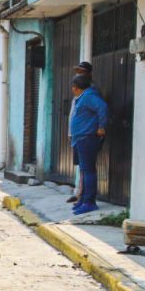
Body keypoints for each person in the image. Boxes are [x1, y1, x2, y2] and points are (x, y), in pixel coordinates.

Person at [69, 74, 108, 215]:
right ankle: (84, 199)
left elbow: (103, 107)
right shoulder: (83, 97)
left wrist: (102, 127)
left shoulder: (88, 96)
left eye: (73, 86)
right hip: (81, 138)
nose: (72, 89)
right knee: (85, 170)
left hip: (87, 138)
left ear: (76, 87)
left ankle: (90, 202)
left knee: (88, 170)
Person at [68, 61, 94, 204]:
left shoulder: (90, 92)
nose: (79, 74)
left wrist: (101, 127)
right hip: (77, 134)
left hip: (85, 135)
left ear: (88, 74)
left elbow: (101, 109)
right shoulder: (79, 91)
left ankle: (83, 196)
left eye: (82, 72)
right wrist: (70, 132)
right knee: (80, 166)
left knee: (86, 168)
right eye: (78, 72)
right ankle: (79, 191)